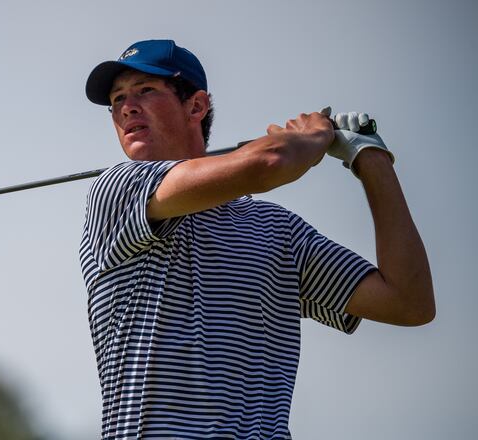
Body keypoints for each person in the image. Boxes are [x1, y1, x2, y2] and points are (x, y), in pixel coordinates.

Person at [79, 39, 435, 439]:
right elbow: (269, 163)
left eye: (145, 90)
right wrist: (313, 137)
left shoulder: (276, 230)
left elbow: (409, 303)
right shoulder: (118, 190)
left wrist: (370, 159)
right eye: (117, 99)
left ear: (196, 106)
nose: (127, 107)